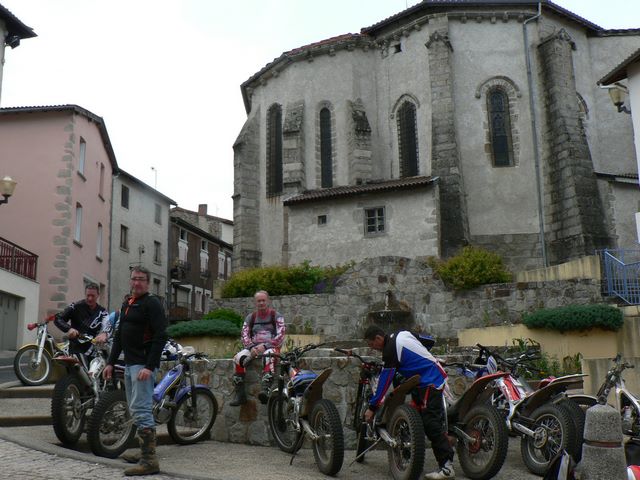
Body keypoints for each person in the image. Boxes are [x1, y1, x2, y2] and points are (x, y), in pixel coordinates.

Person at [363, 325, 455, 480]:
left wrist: (372, 406)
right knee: (418, 418)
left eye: (372, 345)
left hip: (429, 380)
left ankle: (447, 467)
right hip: (423, 379)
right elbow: (428, 341)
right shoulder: (402, 334)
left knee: (430, 422)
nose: (373, 349)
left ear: (378, 338)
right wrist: (425, 356)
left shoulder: (390, 349)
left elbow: (385, 381)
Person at [103, 266, 167, 476]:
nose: (137, 282)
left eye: (141, 279)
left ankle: (150, 462)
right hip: (130, 364)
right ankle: (143, 453)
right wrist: (111, 362)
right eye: (134, 279)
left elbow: (160, 336)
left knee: (141, 409)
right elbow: (120, 335)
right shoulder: (128, 304)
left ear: (147, 283)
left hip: (142, 365)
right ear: (130, 281)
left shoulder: (152, 303)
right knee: (135, 408)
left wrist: (149, 366)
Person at [230, 290, 286, 406]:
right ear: (255, 303)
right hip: (253, 347)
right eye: (259, 301)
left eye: (263, 300)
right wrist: (251, 348)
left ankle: (265, 390)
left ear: (268, 301)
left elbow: (281, 336)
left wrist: (265, 346)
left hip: (271, 347)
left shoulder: (277, 316)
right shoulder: (251, 317)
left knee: (269, 356)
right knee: (238, 358)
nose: (261, 303)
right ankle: (240, 395)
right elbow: (244, 334)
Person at [53, 283, 109, 362]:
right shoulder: (75, 306)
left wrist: (104, 333)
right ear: (85, 294)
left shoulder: (102, 312)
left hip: (95, 352)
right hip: (76, 350)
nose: (90, 298)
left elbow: (108, 325)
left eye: (93, 296)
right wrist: (69, 329)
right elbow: (58, 318)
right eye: (88, 295)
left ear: (98, 295)